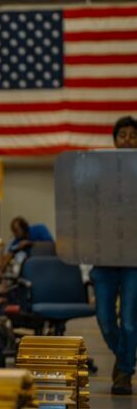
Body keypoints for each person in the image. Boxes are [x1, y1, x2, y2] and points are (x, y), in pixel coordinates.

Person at [90, 115, 137, 395]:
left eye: (133, 135)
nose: (128, 140)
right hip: (104, 258)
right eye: (123, 135)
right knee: (105, 320)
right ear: (114, 140)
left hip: (134, 262)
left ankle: (124, 373)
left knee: (130, 320)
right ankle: (127, 355)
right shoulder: (100, 176)